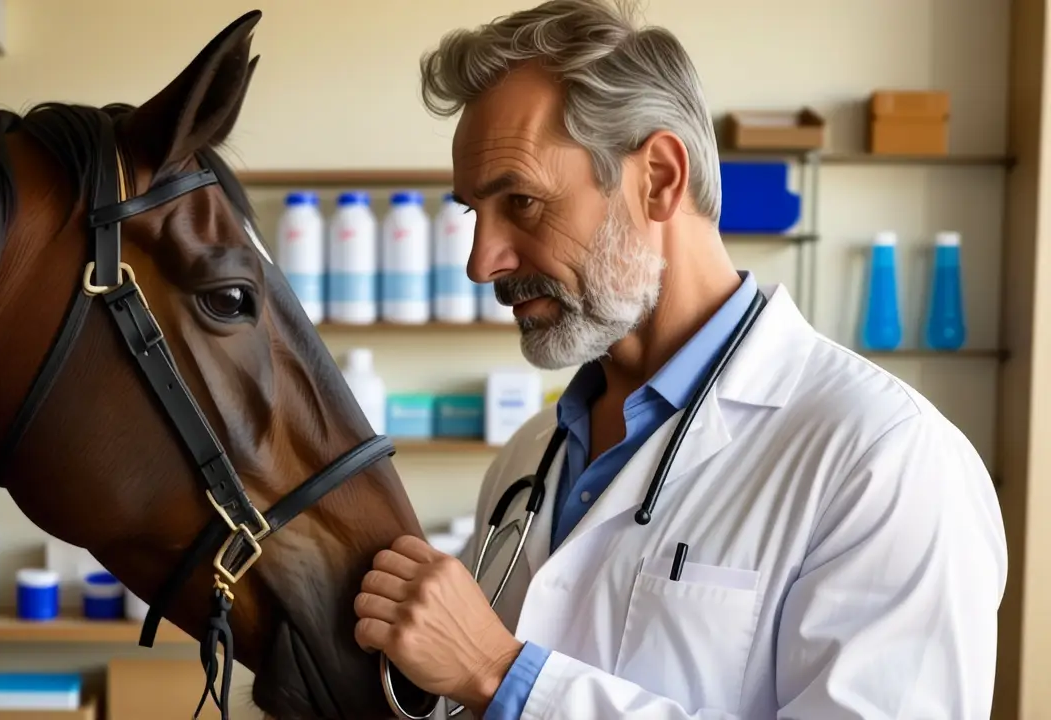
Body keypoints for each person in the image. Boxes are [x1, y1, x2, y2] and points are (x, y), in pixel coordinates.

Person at [352, 0, 1008, 718]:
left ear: (659, 177)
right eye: (476, 212)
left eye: (523, 202)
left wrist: (500, 674)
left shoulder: (886, 459)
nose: (482, 262)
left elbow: (493, 676)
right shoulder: (528, 458)